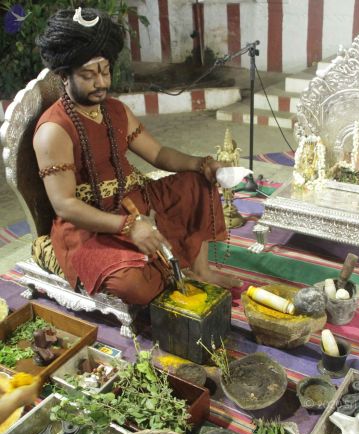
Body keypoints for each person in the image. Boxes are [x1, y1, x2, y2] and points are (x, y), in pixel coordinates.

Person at [33, 7, 242, 305]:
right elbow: (65, 205)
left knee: (198, 183)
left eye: (105, 71)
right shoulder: (54, 131)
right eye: (89, 76)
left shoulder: (115, 110)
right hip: (88, 225)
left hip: (133, 200)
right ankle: (160, 265)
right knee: (134, 285)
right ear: (65, 75)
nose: (101, 83)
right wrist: (128, 227)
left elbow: (158, 153)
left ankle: (199, 269)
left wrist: (201, 164)